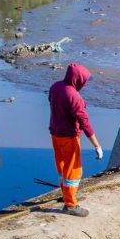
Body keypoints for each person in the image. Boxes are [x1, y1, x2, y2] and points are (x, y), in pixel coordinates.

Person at [48, 63, 102, 217]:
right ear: (79, 80)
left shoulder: (55, 87)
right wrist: (97, 145)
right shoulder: (74, 96)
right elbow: (85, 123)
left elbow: (51, 102)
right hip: (69, 137)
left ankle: (65, 194)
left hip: (55, 134)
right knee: (73, 170)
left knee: (62, 166)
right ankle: (70, 204)